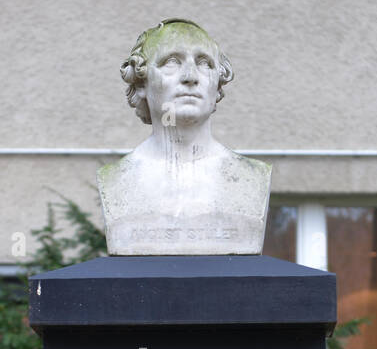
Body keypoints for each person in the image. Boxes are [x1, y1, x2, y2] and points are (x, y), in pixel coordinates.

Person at [98, 18, 271, 255]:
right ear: (141, 84)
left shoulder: (252, 179)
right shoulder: (116, 181)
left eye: (204, 63)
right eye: (171, 62)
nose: (191, 76)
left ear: (218, 83)